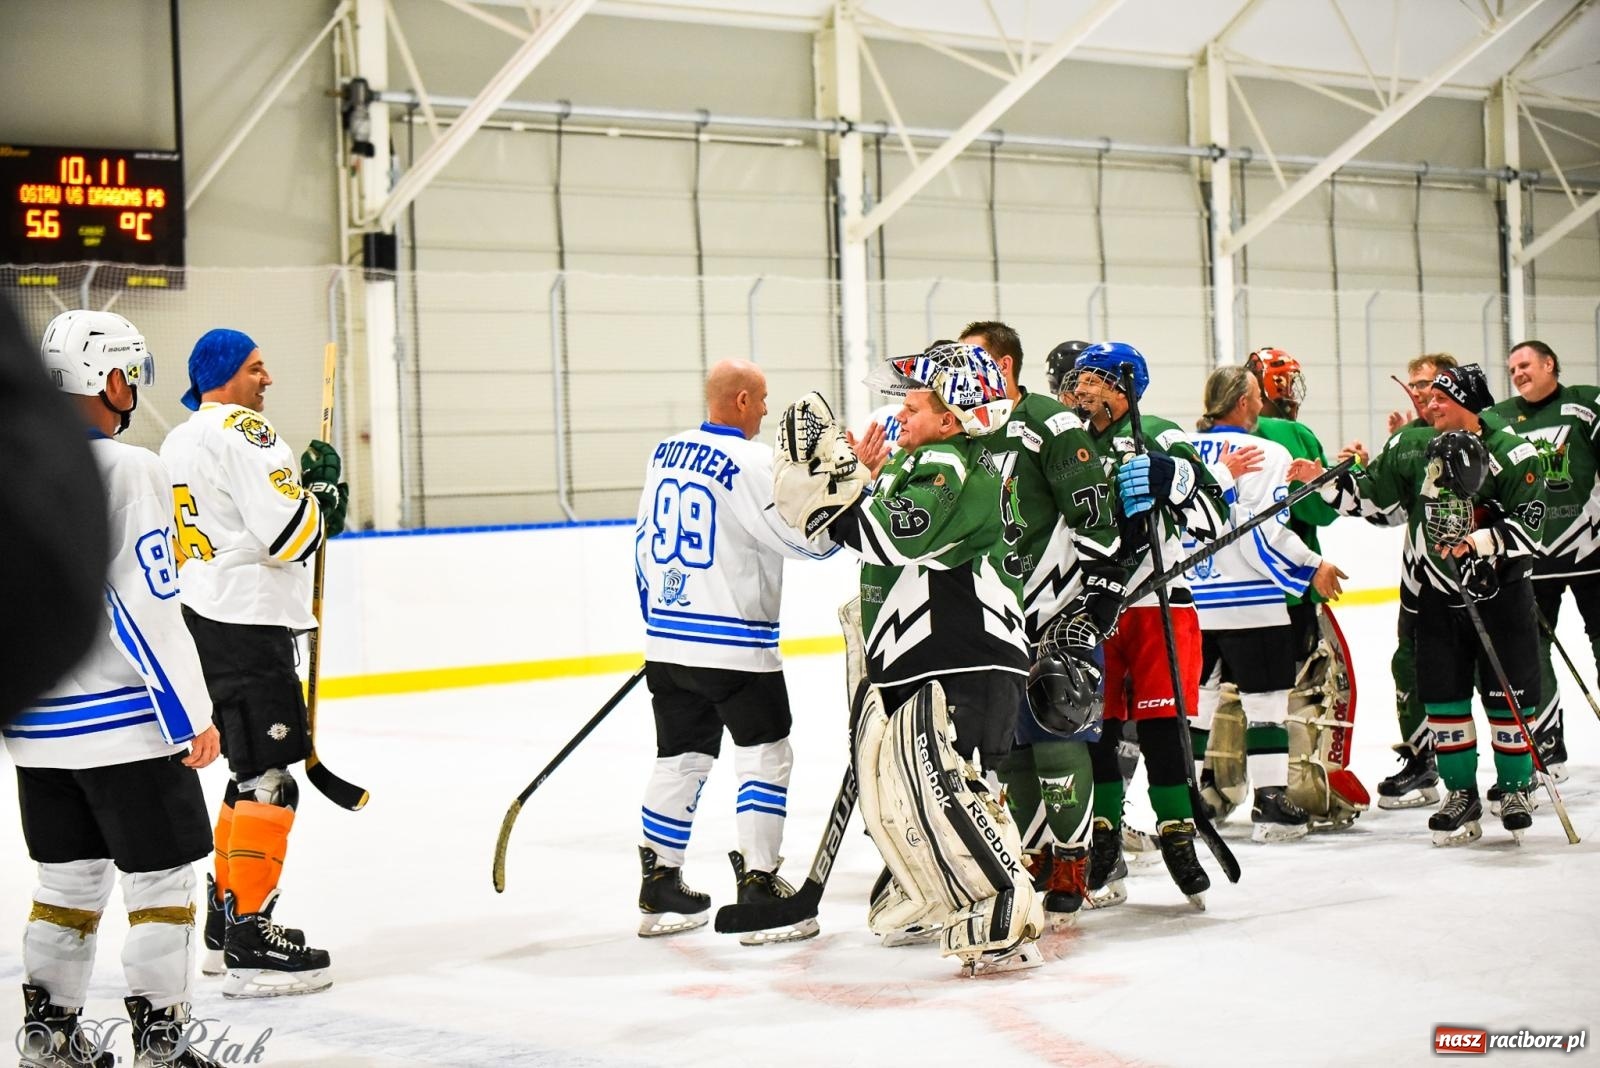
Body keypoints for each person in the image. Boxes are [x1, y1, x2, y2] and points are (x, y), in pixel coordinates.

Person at [775, 342, 1043, 974]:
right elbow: (882, 528)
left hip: (959, 652)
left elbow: (889, 534)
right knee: (914, 788)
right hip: (936, 654)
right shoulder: (933, 460)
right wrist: (861, 481)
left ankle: (1001, 902)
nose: (900, 415)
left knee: (942, 785)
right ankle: (935, 888)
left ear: (951, 419)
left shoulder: (946, 462)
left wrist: (837, 487)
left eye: (915, 407)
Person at [9, 310, 225, 1068]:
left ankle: (49, 1040)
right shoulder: (127, 469)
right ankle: (164, 1046)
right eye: (129, 374)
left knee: (64, 885)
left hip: (37, 733)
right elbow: (145, 608)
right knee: (162, 883)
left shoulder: (14, 471)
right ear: (107, 378)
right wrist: (190, 714)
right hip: (126, 727)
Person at [160, 329, 345, 998]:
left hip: (202, 617)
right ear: (225, 374)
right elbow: (294, 534)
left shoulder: (178, 439)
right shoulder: (246, 432)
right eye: (256, 368)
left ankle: (224, 921)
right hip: (246, 621)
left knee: (246, 774)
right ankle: (250, 939)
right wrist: (322, 494)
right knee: (270, 779)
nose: (267, 380)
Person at [1291, 365, 1546, 846]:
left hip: (1502, 595)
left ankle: (1514, 788)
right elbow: (1372, 498)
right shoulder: (1414, 447)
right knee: (1444, 700)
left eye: (1441, 398)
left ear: (1469, 402)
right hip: (1438, 595)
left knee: (1507, 698)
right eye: (1429, 398)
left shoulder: (1515, 452)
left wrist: (1479, 543)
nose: (1430, 404)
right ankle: (1460, 793)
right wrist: (1324, 479)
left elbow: (1534, 527)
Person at [632, 359, 838, 943]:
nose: (768, 410)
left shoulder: (664, 452)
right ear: (743, 400)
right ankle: (759, 882)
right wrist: (840, 509)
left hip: (667, 643)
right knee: (765, 754)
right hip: (736, 650)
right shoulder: (753, 461)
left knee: (679, 758)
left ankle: (660, 884)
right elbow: (802, 542)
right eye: (764, 398)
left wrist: (659, 625)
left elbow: (642, 542)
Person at [958, 321, 1127, 923]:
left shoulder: (1049, 424)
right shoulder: (968, 429)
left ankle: (1072, 863)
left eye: (971, 359)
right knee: (1007, 749)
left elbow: (1092, 512)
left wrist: (1101, 593)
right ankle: (1031, 855)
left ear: (1004, 365)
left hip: (1057, 607)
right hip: (992, 610)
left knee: (1058, 731)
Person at [1067, 342, 1230, 907]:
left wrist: (1175, 479)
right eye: (1080, 379)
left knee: (1163, 726)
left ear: (1126, 387)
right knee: (1099, 726)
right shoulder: (1069, 441)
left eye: (1095, 379)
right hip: (1093, 604)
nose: (1082, 388)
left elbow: (1216, 514)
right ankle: (1104, 836)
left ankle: (1177, 835)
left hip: (1159, 602)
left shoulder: (1159, 433)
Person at [1188, 366, 1346, 842]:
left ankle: (1186, 806)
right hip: (1250, 603)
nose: (1260, 405)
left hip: (1191, 602)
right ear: (1242, 403)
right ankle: (1272, 804)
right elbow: (1262, 531)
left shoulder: (1183, 449)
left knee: (1196, 706)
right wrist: (1311, 566)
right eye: (1256, 396)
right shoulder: (1265, 452)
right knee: (1266, 705)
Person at [1490, 339, 1597, 784]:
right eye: (1512, 368)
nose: (1517, 373)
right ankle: (1547, 742)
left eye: (1525, 364)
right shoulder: (1498, 418)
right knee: (1531, 653)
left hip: (1592, 552)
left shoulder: (1587, 405)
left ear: (1550, 364)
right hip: (1533, 554)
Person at [1371, 353, 1459, 809]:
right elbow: (1387, 511)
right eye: (1415, 385)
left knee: (1483, 672)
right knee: (1408, 665)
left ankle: (1519, 765)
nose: (1418, 392)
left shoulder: (1475, 433)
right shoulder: (1410, 440)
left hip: (1473, 580)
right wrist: (1378, 462)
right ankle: (1422, 760)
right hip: (1420, 582)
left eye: (1427, 384)